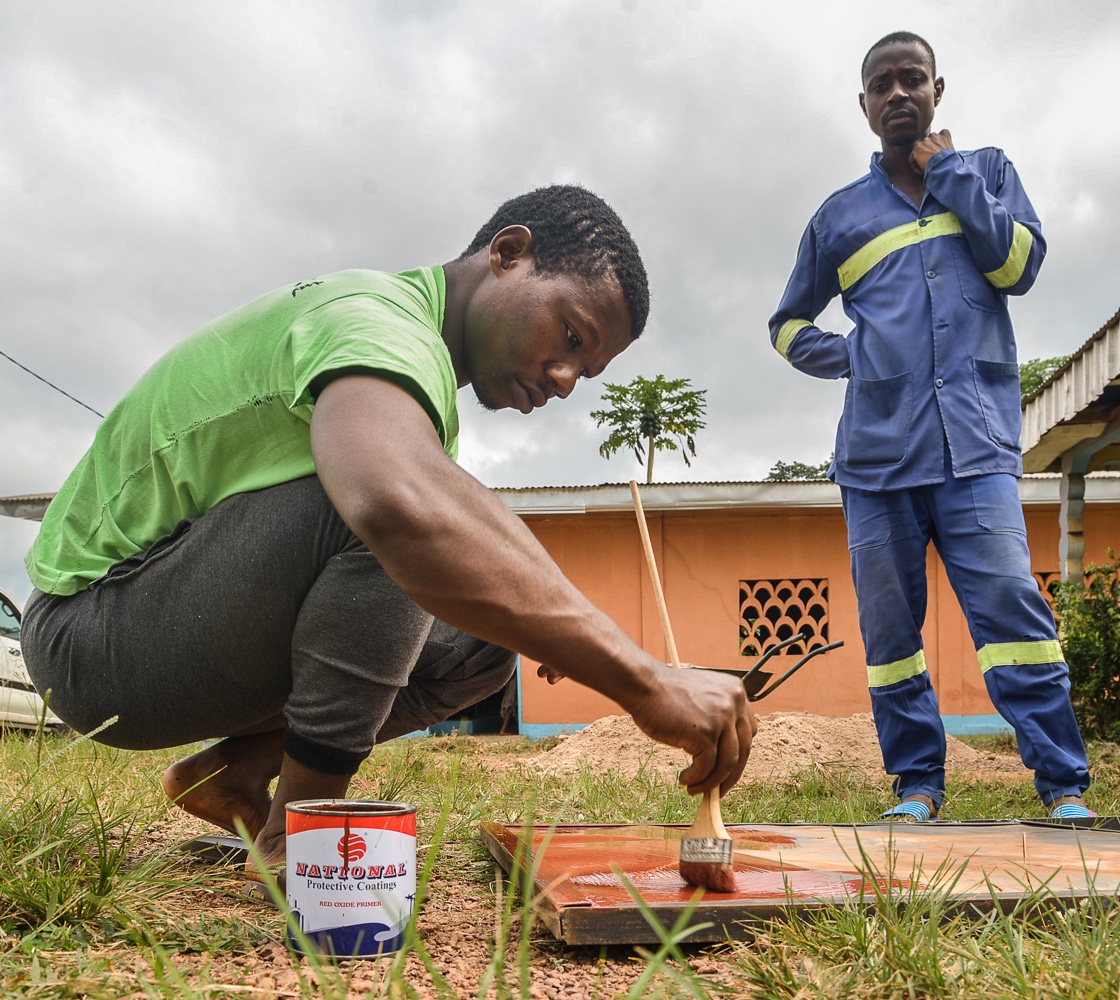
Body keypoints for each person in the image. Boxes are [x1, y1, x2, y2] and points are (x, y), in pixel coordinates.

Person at [22, 184, 757, 883]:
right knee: (400, 524)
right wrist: (641, 678)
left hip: (173, 624)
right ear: (508, 252)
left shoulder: (411, 375)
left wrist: (556, 625)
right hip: (90, 635)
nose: (566, 377)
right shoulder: (378, 320)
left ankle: (236, 775)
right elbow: (399, 505)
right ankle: (298, 843)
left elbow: (443, 510)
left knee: (480, 652)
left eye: (586, 370)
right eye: (569, 333)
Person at [768, 33, 1092, 821]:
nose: (898, 94)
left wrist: (945, 173)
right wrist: (851, 356)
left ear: (938, 90)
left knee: (1012, 614)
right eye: (882, 85)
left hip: (976, 448)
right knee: (891, 635)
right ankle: (917, 786)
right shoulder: (838, 217)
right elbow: (785, 325)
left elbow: (1020, 267)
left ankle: (1064, 787)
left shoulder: (986, 173)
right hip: (876, 460)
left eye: (912, 79)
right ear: (864, 105)